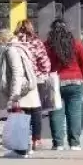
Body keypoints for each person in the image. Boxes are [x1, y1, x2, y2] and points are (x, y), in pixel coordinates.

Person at [45, 19, 83, 151]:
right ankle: (74, 143)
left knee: (56, 112)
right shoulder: (77, 45)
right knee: (75, 112)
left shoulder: (48, 46)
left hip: (55, 81)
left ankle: (58, 143)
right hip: (76, 82)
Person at [0, 29, 40, 157]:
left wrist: (14, 95)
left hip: (20, 90)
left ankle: (20, 150)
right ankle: (25, 147)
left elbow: (17, 72)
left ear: (3, 40)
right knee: (25, 120)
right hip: (28, 88)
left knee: (19, 120)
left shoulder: (11, 50)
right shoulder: (22, 47)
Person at [15, 20, 51, 150]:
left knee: (22, 109)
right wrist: (42, 74)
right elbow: (44, 61)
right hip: (33, 79)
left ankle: (23, 138)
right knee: (35, 109)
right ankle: (36, 139)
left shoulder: (15, 43)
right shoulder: (36, 42)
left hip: (18, 80)